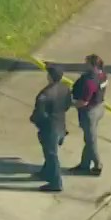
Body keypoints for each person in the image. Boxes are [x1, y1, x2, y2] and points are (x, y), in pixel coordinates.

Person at [29, 64, 74, 192]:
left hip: (49, 128)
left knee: (51, 154)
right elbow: (67, 105)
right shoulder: (65, 88)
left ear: (50, 77)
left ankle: (56, 183)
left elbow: (40, 114)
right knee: (49, 152)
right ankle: (46, 172)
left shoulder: (44, 94)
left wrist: (34, 120)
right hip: (61, 124)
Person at [68, 53, 109, 176]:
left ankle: (97, 166)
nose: (84, 65)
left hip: (89, 113)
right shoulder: (103, 75)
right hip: (100, 108)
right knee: (89, 139)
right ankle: (84, 165)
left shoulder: (89, 82)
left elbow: (83, 102)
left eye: (87, 64)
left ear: (93, 65)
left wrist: (69, 104)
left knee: (91, 141)